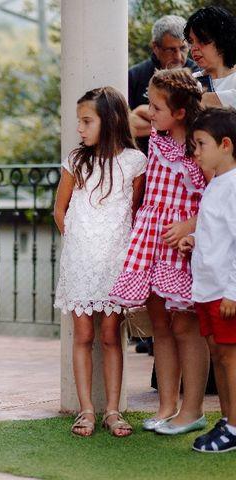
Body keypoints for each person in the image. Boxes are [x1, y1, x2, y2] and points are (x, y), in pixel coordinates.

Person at [110, 68, 210, 435]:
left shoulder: (200, 148)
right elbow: (135, 116)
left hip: (181, 244)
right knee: (161, 329)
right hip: (151, 239)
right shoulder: (157, 136)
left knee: (187, 326)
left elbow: (218, 198)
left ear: (180, 112)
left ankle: (193, 408)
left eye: (157, 106)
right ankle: (167, 404)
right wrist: (152, 104)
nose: (149, 111)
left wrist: (190, 226)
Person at [54, 86, 146, 437]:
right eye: (79, 122)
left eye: (86, 121)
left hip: (116, 261)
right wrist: (78, 246)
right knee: (83, 334)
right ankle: (86, 409)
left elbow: (133, 214)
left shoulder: (135, 162)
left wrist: (117, 253)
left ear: (109, 121)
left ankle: (112, 410)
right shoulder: (75, 161)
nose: (80, 128)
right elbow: (59, 210)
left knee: (110, 335)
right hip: (81, 262)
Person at [179, 107, 236, 453]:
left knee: (230, 358)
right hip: (207, 289)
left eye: (200, 144)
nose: (195, 152)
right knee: (218, 355)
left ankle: (234, 426)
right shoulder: (217, 183)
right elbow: (218, 234)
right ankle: (228, 419)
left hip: (225, 293)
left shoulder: (233, 187)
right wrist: (195, 240)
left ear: (225, 144)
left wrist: (233, 291)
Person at [129, 15, 198, 155]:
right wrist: (174, 125)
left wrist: (143, 111)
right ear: (155, 47)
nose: (179, 57)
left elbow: (197, 123)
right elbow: (126, 124)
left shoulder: (198, 75)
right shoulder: (135, 75)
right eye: (171, 50)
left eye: (184, 48)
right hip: (145, 161)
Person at [184, 6, 236, 108]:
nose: (193, 48)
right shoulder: (189, 82)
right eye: (191, 42)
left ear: (222, 41)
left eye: (202, 40)